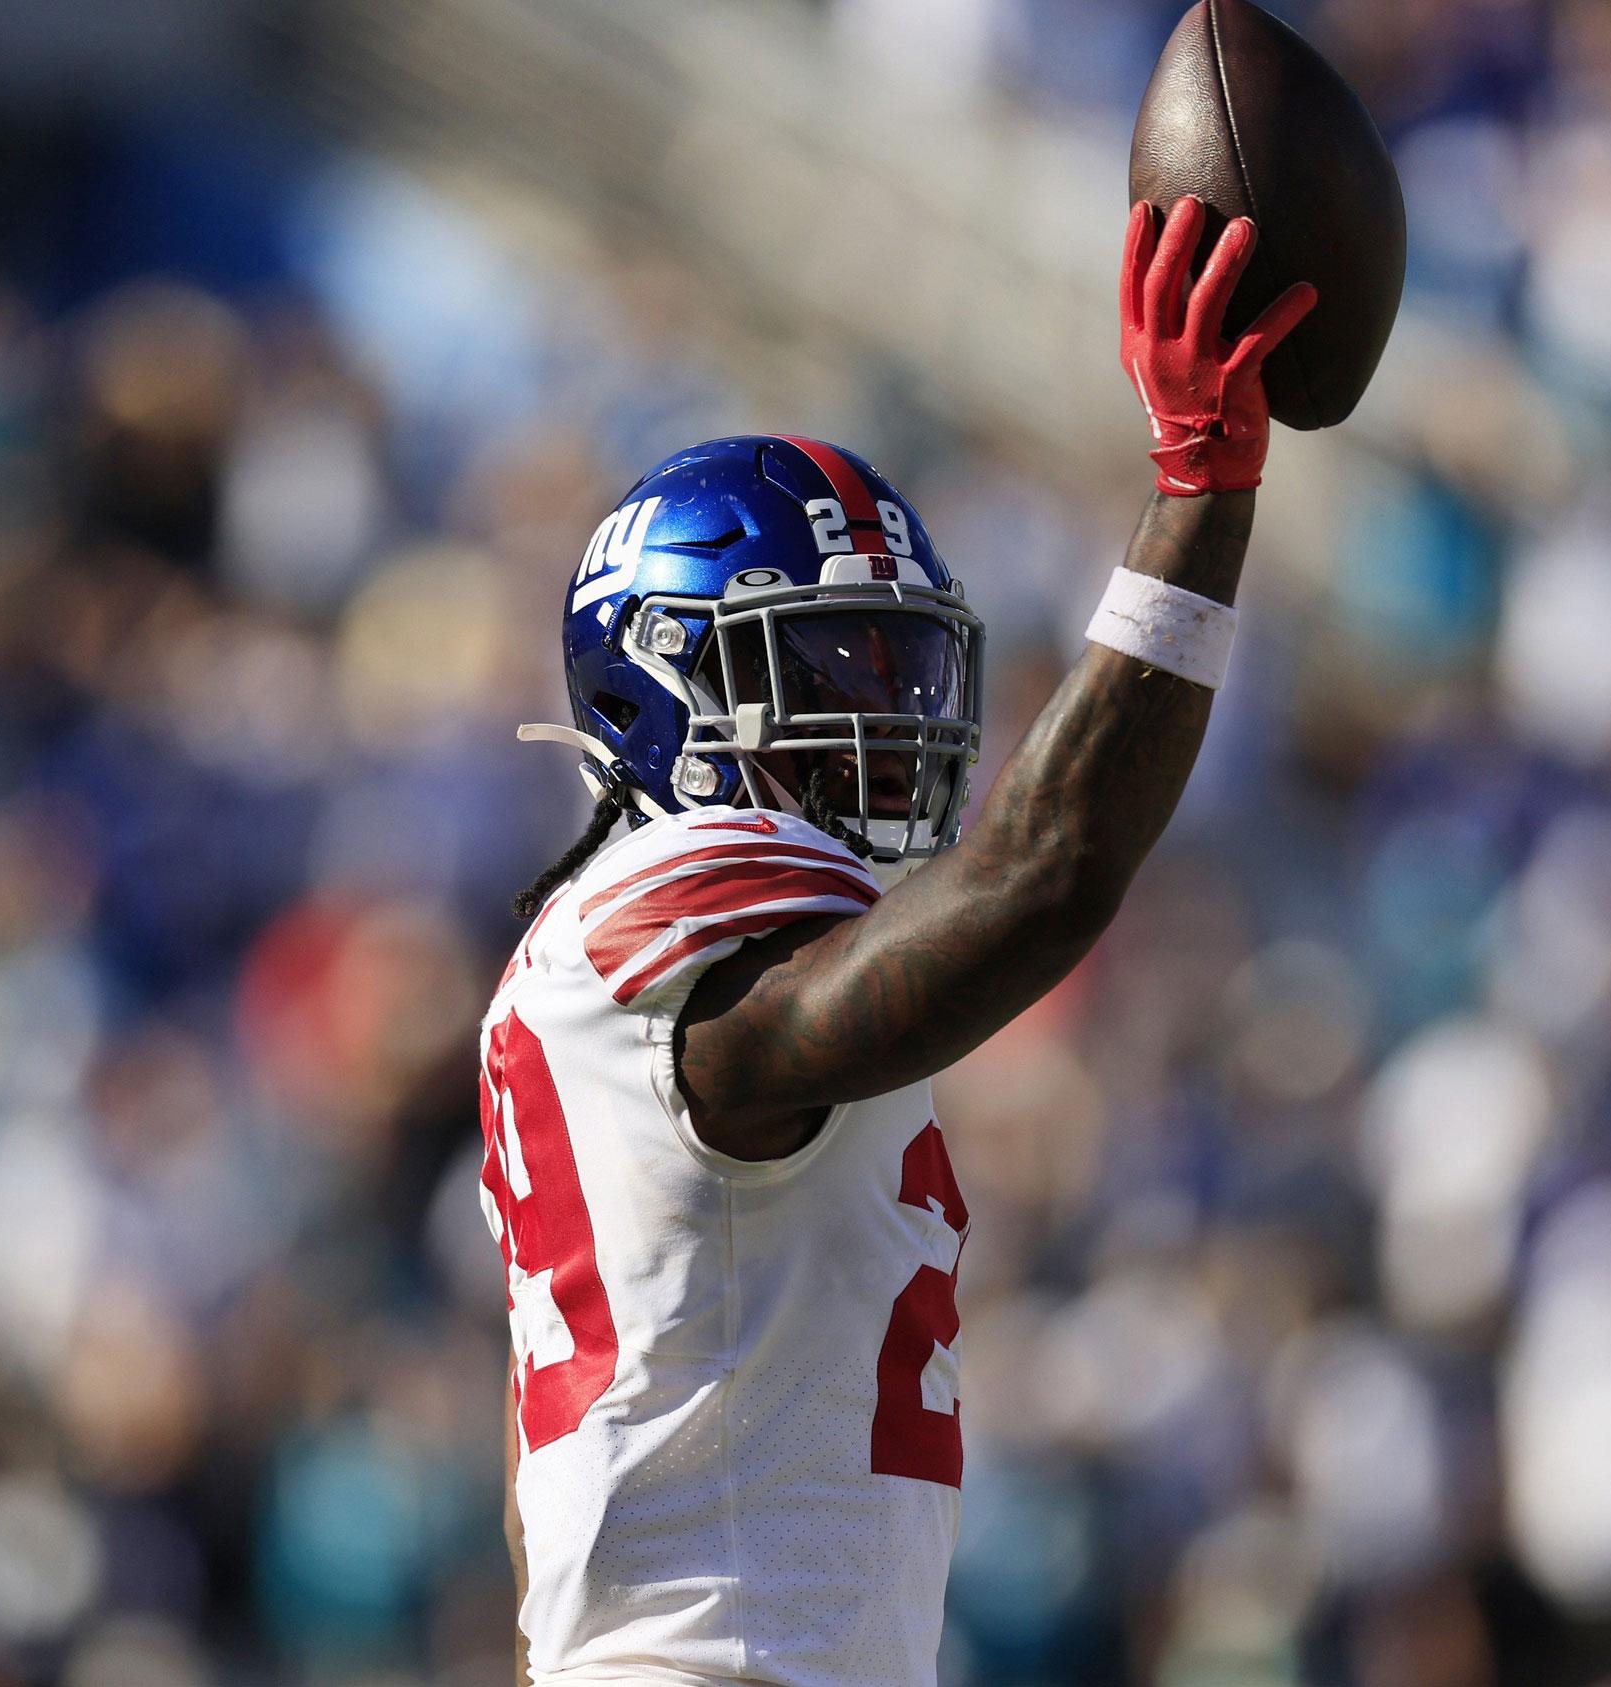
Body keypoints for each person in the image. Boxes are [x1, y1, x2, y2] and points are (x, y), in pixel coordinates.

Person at [479, 199, 1318, 1687]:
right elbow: (1043, 874)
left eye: (900, 659)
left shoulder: (606, 960)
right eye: (824, 658)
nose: (884, 711)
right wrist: (1200, 488)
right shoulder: (654, 926)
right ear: (660, 687)